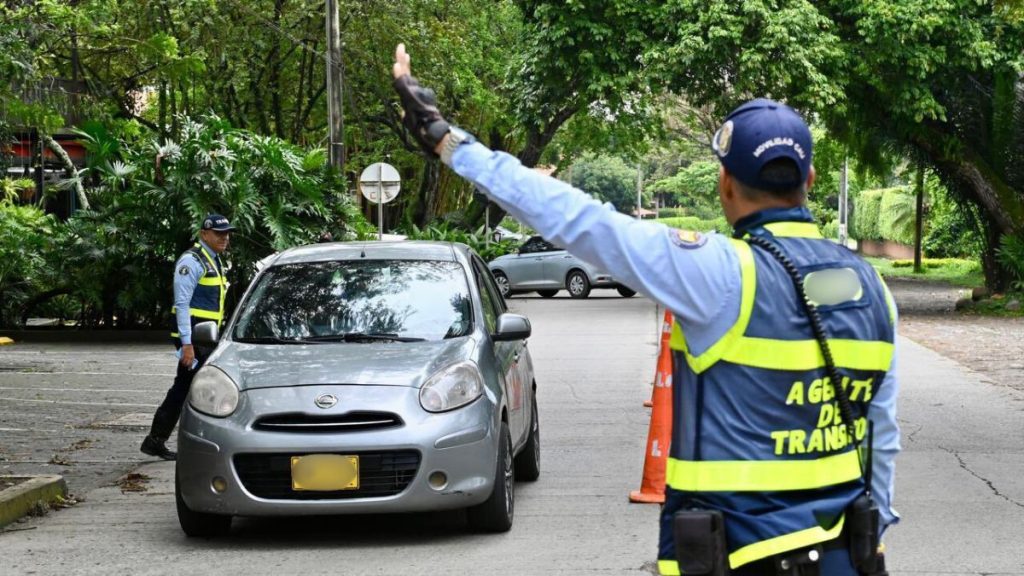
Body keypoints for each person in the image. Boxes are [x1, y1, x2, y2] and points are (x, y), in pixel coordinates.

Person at [391, 44, 899, 575]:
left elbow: (579, 219)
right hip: (847, 557)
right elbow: (882, 439)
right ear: (810, 181)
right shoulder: (873, 288)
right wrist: (874, 534)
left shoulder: (720, 274)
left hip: (741, 556)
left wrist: (449, 141)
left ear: (725, 185)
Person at [141, 213, 235, 460]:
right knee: (190, 388)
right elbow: (182, 304)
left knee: (189, 387)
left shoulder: (212, 260)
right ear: (204, 234)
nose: (224, 238)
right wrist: (187, 345)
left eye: (226, 233)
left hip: (205, 339)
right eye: (218, 234)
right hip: (194, 339)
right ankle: (159, 439)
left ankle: (156, 440)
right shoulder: (192, 261)